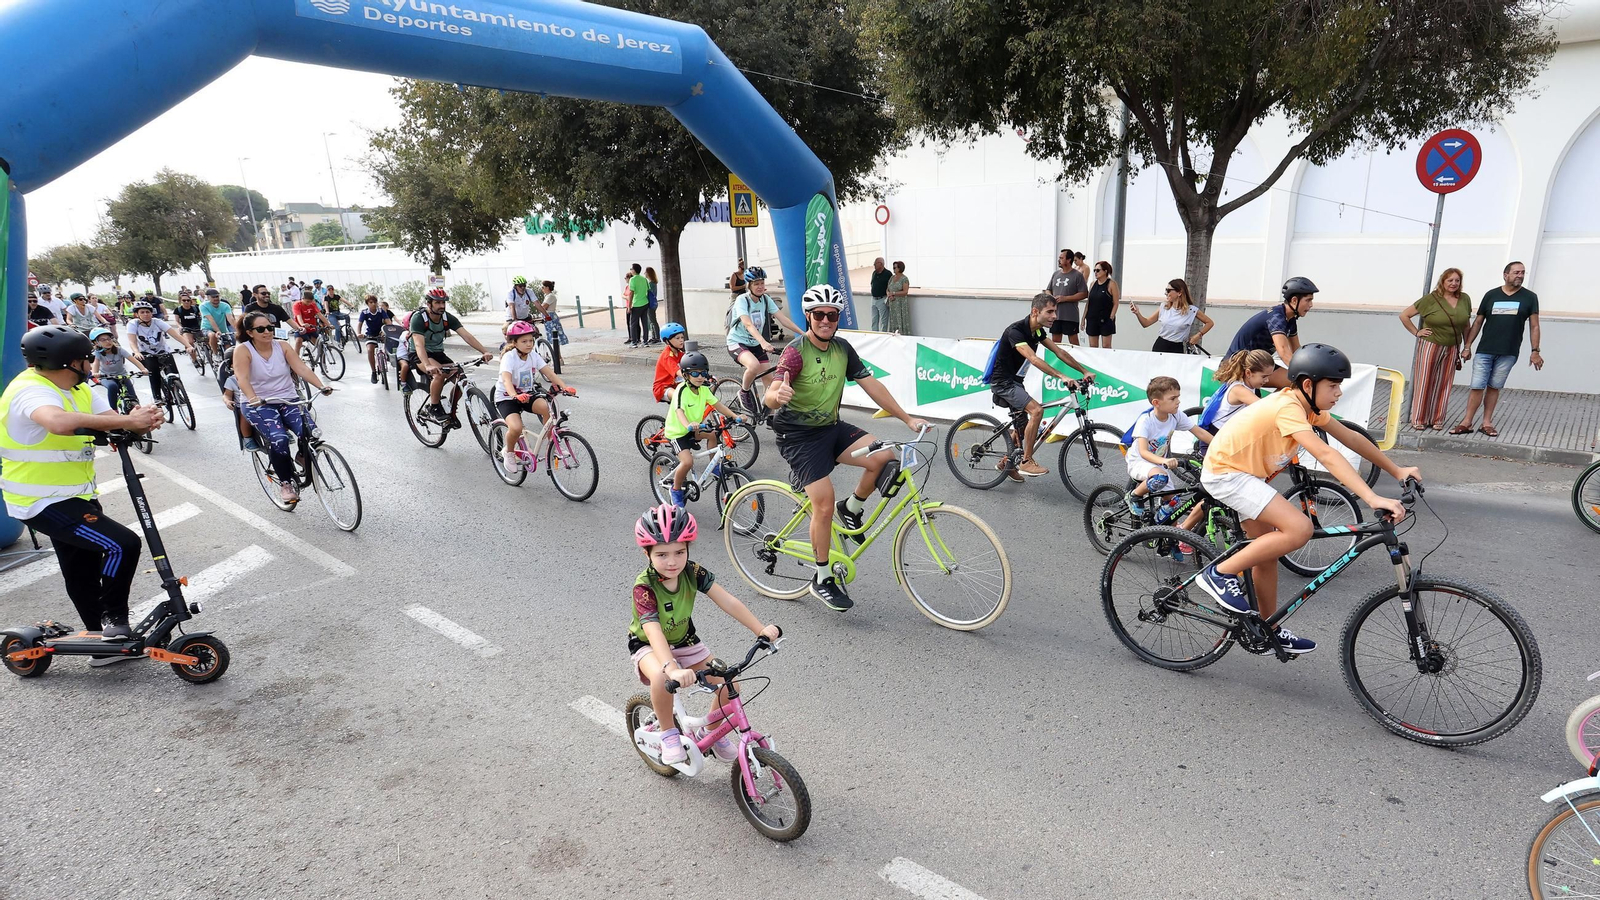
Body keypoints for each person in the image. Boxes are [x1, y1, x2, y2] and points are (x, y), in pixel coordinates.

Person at [1194, 344, 1420, 654]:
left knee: (1266, 552)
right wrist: (1371, 497)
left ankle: (1268, 627)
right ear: (1308, 385)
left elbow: (1351, 438)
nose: (1339, 392)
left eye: (1340, 385)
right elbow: (1326, 454)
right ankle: (1219, 574)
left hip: (1249, 476)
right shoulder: (1288, 406)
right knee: (1299, 529)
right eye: (1333, 385)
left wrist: (1397, 470)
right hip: (1227, 474)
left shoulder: (1308, 407)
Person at [766, 284, 930, 611]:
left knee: (885, 457)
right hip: (798, 436)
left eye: (832, 314)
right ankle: (822, 576)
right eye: (820, 315)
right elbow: (771, 392)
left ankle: (852, 508)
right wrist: (776, 397)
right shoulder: (795, 351)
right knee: (823, 504)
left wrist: (907, 419)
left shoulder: (843, 349)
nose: (826, 320)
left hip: (830, 428)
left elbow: (873, 386)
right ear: (809, 318)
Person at [0, 326, 163, 653]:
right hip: (40, 501)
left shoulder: (81, 388)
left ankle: (100, 643)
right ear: (71, 362)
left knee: (82, 568)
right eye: (88, 358)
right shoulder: (30, 390)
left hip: (75, 495)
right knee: (122, 545)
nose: (93, 364)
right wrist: (126, 423)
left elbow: (112, 419)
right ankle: (114, 619)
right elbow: (58, 422)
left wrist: (140, 419)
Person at [630, 504, 783, 765]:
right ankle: (668, 734)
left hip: (686, 641)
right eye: (662, 554)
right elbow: (652, 630)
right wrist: (672, 668)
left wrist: (760, 629)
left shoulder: (692, 571)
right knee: (660, 675)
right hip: (649, 646)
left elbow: (727, 600)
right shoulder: (644, 587)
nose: (672, 561)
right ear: (647, 554)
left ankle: (710, 733)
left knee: (730, 685)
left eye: (680, 552)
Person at [982, 293, 1091, 481]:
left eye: (1055, 311)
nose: (1054, 316)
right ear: (1035, 311)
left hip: (1015, 382)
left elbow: (1059, 352)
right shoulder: (1015, 331)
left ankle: (1006, 464)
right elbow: (1033, 358)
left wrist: (1084, 371)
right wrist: (1061, 375)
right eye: (1050, 311)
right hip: (1003, 382)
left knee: (1022, 427)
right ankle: (1026, 461)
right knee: (1037, 411)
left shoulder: (1038, 332)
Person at [232, 310, 336, 504]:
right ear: (250, 332)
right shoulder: (243, 350)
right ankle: (286, 483)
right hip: (259, 404)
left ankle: (301, 456)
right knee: (279, 439)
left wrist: (321, 386)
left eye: (270, 327)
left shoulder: (282, 346)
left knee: (311, 432)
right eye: (261, 329)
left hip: (288, 399)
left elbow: (302, 368)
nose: (267, 331)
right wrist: (253, 397)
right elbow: (242, 378)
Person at [1450, 261, 1541, 438]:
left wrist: (1535, 350)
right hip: (1485, 350)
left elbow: (1535, 326)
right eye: (1516, 272)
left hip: (1509, 352)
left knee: (1494, 387)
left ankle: (1486, 423)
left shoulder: (1530, 297)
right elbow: (1477, 322)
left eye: (1523, 273)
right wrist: (1467, 346)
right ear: (1505, 275)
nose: (1520, 276)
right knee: (1477, 386)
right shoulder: (1491, 295)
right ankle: (1466, 422)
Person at [662, 352, 746, 507]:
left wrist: (735, 416)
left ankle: (714, 467)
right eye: (695, 373)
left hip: (693, 429)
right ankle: (676, 490)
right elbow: (679, 410)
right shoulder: (681, 390)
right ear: (686, 375)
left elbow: (718, 405)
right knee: (687, 462)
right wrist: (688, 423)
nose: (700, 377)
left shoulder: (704, 390)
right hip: (677, 432)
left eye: (703, 373)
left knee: (713, 435)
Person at [1125, 376, 1213, 515]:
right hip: (1140, 462)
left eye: (1178, 397)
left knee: (1174, 505)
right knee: (1160, 478)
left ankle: (1166, 534)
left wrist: (1221, 446)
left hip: (1158, 465)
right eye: (1173, 398)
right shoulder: (1146, 420)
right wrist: (1165, 460)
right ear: (1156, 402)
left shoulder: (1175, 415)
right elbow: (1143, 452)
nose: (1178, 402)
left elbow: (1200, 432)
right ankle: (1134, 496)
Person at [494, 320, 574, 474]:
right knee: (516, 428)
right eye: (524, 341)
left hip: (526, 395)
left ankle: (553, 444)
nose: (529, 344)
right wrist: (514, 395)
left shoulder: (533, 356)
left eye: (531, 340)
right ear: (514, 342)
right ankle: (509, 452)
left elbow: (549, 373)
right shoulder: (509, 357)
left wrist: (565, 387)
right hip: (506, 397)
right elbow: (506, 380)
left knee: (546, 408)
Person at [1399, 268, 1471, 430]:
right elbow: (1404, 315)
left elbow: (1466, 325)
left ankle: (1437, 418)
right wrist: (1417, 332)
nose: (1453, 283)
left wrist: (1467, 346)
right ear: (1443, 281)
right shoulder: (1430, 299)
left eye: (1457, 280)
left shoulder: (1465, 299)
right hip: (1431, 343)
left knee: (1444, 382)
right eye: (1450, 280)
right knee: (1425, 380)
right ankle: (1419, 418)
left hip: (1453, 345)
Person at [411, 287, 495, 421]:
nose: (441, 306)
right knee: (438, 374)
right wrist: (427, 365)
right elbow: (418, 344)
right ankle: (434, 406)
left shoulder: (447, 318)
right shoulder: (419, 318)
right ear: (429, 304)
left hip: (438, 353)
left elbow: (466, 336)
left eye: (443, 303)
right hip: (419, 354)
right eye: (437, 303)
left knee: (461, 379)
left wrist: (484, 351)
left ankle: (451, 410)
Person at [726, 266, 802, 415]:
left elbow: (783, 319)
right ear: (749, 286)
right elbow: (747, 324)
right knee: (753, 366)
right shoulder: (742, 300)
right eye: (756, 284)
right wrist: (763, 342)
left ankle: (769, 417)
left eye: (762, 283)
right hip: (737, 342)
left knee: (770, 380)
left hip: (755, 344)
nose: (760, 286)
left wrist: (802, 334)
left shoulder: (766, 300)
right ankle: (744, 391)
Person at [1225, 276, 1316, 388]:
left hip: (1257, 366)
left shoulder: (1290, 319)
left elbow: (1296, 350)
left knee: (1296, 383)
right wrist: (1304, 375)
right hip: (1236, 367)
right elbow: (1283, 352)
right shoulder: (1276, 317)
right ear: (1294, 300)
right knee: (1297, 382)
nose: (1311, 305)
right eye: (1308, 300)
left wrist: (1311, 369)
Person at [125, 300, 192, 404]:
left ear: (152, 313)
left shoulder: (157, 322)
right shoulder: (133, 324)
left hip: (163, 350)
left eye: (148, 312)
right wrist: (136, 352)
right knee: (154, 372)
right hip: (145, 353)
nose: (146, 314)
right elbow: (132, 341)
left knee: (173, 373)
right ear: (136, 314)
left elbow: (175, 335)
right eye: (142, 312)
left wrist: (188, 345)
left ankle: (176, 391)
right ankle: (157, 397)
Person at [1199, 349, 1276, 435]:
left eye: (1269, 376)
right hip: (1215, 435)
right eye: (1264, 377)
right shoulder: (1239, 390)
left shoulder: (1249, 384)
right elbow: (1264, 407)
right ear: (1248, 373)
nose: (1267, 380)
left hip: (1227, 433)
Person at [1129, 279, 1214, 353]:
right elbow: (1146, 323)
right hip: (1161, 344)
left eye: (1168, 290)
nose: (1166, 293)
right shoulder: (1164, 307)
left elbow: (1209, 322)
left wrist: (1198, 335)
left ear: (1179, 292)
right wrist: (1137, 313)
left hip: (1177, 347)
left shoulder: (1191, 310)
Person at [90, 326, 149, 410]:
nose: (107, 341)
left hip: (122, 375)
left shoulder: (119, 350)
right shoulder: (98, 353)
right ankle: (114, 410)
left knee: (132, 396)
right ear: (96, 343)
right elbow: (96, 364)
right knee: (112, 386)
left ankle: (136, 409)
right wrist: (95, 373)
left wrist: (143, 369)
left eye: (109, 339)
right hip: (106, 377)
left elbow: (133, 360)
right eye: (103, 340)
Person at [1045, 248, 1088, 346]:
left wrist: (1065, 298)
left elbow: (1084, 293)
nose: (1059, 260)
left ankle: (1076, 360)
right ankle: (1055, 361)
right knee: (1055, 341)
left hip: (1070, 315)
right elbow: (1048, 289)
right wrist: (1051, 297)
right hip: (1055, 315)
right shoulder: (1055, 274)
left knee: (1073, 341)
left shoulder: (1077, 275)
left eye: (1061, 258)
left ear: (1069, 260)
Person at [357, 294, 394, 383]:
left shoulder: (381, 311)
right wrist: (359, 333)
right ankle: (373, 372)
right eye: (371, 302)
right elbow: (360, 324)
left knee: (390, 345)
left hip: (381, 333)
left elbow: (388, 321)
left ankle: (388, 359)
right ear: (367, 304)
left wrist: (388, 329)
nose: (373, 304)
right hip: (370, 334)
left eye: (375, 302)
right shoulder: (364, 312)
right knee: (370, 350)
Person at [1082, 261, 1120, 348]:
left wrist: (1111, 316)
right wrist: (1083, 318)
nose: (1096, 273)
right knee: (1093, 346)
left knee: (1106, 346)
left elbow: (1116, 303)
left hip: (1105, 318)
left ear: (1105, 271)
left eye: (1098, 270)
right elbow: (1089, 303)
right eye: (1094, 270)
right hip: (1092, 318)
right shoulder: (1092, 284)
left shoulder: (1111, 284)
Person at [652, 322, 688, 401]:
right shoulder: (667, 356)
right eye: (677, 338)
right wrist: (691, 376)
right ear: (668, 341)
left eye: (682, 337)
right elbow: (678, 372)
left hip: (676, 385)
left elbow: (692, 365)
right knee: (680, 398)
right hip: (663, 388)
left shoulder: (680, 354)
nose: (681, 340)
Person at [290, 288, 329, 356]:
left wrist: (329, 324)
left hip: (311, 328)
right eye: (307, 301)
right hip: (301, 329)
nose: (309, 303)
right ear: (302, 298)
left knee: (320, 346)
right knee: (298, 342)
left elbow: (320, 315)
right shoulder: (297, 305)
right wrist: (302, 324)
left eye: (311, 301)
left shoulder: (312, 304)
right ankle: (296, 360)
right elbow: (299, 316)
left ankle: (323, 363)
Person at [199, 288, 236, 358]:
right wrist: (217, 331)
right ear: (208, 297)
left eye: (217, 296)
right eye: (213, 297)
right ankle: (215, 354)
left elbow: (230, 318)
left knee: (229, 349)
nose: (216, 298)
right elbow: (211, 319)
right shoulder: (203, 306)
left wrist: (238, 329)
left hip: (222, 329)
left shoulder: (225, 306)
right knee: (212, 335)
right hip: (207, 328)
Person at [172, 293, 206, 367]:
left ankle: (209, 355)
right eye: (184, 300)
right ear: (181, 301)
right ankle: (194, 360)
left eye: (188, 300)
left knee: (206, 340)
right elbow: (176, 321)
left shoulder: (195, 308)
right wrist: (179, 327)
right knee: (190, 342)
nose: (186, 302)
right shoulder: (178, 310)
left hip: (197, 328)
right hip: (186, 329)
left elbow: (203, 316)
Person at [625, 264, 650, 348]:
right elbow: (647, 290)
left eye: (631, 268)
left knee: (633, 323)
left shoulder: (632, 279)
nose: (630, 270)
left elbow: (631, 293)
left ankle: (634, 342)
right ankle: (645, 341)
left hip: (636, 304)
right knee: (645, 322)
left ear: (634, 270)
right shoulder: (644, 279)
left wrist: (629, 306)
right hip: (645, 303)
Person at [868, 257, 892, 332]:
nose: (874, 265)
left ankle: (883, 334)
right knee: (874, 319)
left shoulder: (888, 274)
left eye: (875, 264)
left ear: (880, 264)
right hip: (874, 299)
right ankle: (874, 333)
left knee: (883, 320)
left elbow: (890, 286)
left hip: (882, 299)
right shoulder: (874, 273)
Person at [540, 280, 567, 346]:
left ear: (547, 287)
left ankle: (558, 351)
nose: (542, 289)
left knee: (554, 333)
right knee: (550, 333)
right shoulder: (547, 296)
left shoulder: (551, 296)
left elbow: (543, 307)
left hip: (550, 316)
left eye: (543, 287)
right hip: (547, 316)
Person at [643, 267, 662, 346]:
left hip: (650, 304)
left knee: (653, 321)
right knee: (651, 321)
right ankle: (654, 336)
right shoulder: (653, 283)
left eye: (645, 272)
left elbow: (648, 294)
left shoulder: (651, 284)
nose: (644, 274)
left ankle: (657, 337)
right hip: (653, 304)